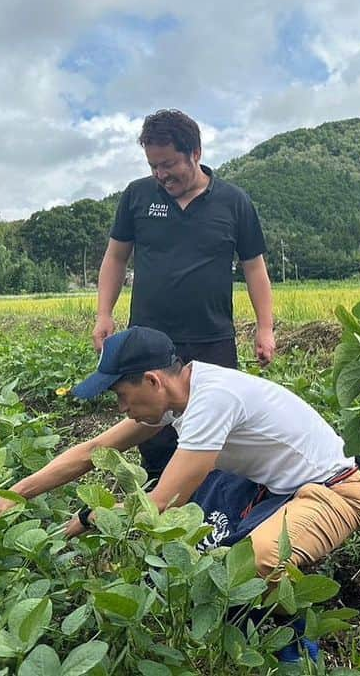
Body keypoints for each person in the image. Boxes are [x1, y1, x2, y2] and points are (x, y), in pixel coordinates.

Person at [0, 326, 360, 663]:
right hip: (272, 489)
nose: (122, 409)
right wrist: (16, 493)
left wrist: (86, 518)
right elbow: (93, 451)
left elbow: (160, 503)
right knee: (206, 537)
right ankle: (235, 636)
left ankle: (294, 654)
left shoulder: (213, 399)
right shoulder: (179, 395)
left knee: (253, 562)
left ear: (152, 380)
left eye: (122, 396)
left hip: (334, 493)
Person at [93, 109, 276, 480]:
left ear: (196, 152)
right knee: (153, 428)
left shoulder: (234, 202)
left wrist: (265, 327)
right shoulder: (137, 196)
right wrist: (103, 313)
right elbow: (115, 256)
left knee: (219, 429)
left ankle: (216, 505)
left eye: (168, 164)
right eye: (153, 166)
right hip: (149, 340)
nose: (161, 175)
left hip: (212, 338)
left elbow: (255, 268)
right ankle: (162, 503)